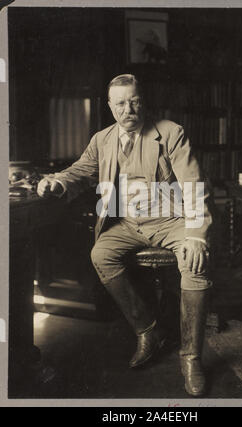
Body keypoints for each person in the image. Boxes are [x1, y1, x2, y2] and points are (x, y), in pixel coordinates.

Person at [37, 74, 214, 397]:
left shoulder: (171, 133)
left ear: (142, 101)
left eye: (133, 101)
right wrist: (57, 181)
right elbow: (79, 171)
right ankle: (148, 331)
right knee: (100, 254)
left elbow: (193, 184)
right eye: (120, 103)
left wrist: (196, 235)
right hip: (129, 224)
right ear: (110, 106)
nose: (128, 109)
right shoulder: (102, 139)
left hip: (171, 220)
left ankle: (191, 357)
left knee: (195, 262)